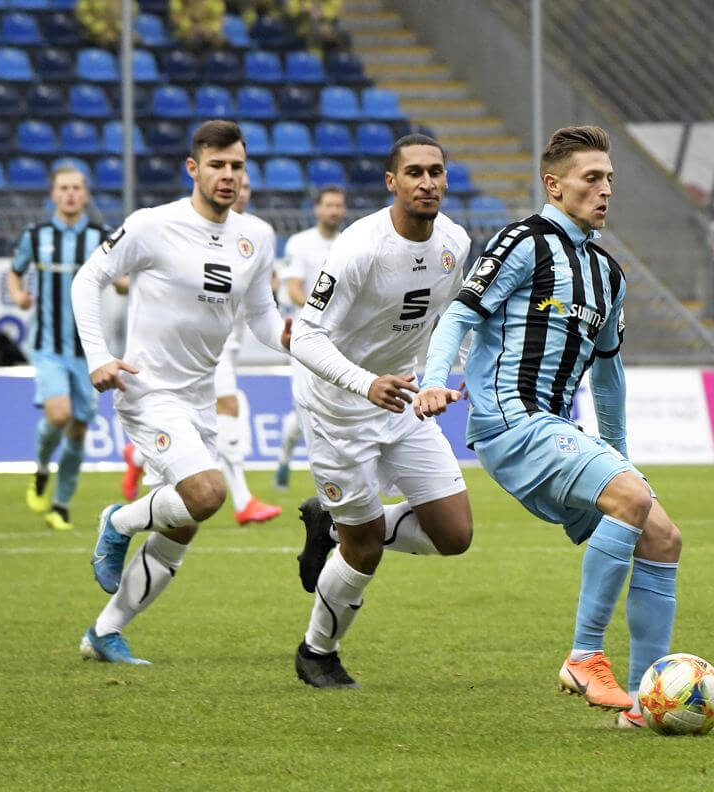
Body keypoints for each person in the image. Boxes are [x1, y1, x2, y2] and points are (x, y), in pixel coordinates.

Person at [413, 126, 682, 729]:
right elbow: (461, 312)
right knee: (634, 502)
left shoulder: (609, 275)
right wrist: (435, 379)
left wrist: (618, 456)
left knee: (662, 537)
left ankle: (645, 703)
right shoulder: (523, 242)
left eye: (610, 178)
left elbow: (609, 377)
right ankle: (584, 654)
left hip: (556, 429)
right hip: (511, 420)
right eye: (592, 178)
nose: (605, 189)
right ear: (553, 184)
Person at [71, 120, 289, 664]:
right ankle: (117, 521)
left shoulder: (256, 236)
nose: (228, 175)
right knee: (208, 494)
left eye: (236, 165)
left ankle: (104, 632)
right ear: (193, 169)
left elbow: (264, 319)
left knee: (183, 523)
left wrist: (301, 338)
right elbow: (87, 279)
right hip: (149, 391)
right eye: (217, 165)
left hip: (200, 398)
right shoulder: (152, 226)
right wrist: (98, 355)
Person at [288, 134, 474, 689]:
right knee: (364, 549)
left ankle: (333, 522)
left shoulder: (455, 242)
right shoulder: (358, 248)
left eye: (436, 171)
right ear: (391, 182)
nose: (427, 182)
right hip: (338, 407)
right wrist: (366, 383)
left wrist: (437, 380)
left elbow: (441, 322)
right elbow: (304, 335)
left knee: (455, 534)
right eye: (414, 172)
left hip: (401, 399)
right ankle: (317, 651)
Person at [120, 170, 283, 526]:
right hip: (207, 350)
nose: (240, 189)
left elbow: (265, 294)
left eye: (247, 184)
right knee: (230, 406)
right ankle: (243, 501)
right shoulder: (184, 229)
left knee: (218, 418)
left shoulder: (256, 234)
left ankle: (137, 458)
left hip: (232, 341)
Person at [8, 165, 111, 532]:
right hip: (47, 346)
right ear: (53, 194)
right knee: (58, 415)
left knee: (80, 429)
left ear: (86, 194)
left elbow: (122, 275)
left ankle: (61, 504)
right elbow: (15, 270)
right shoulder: (35, 236)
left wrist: (129, 284)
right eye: (64, 188)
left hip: (89, 351)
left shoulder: (102, 237)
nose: (70, 194)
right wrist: (18, 295)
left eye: (77, 188)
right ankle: (40, 467)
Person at [274, 185, 347, 490]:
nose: (333, 210)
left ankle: (340, 472)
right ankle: (285, 458)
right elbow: (293, 289)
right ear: (317, 208)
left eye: (338, 205)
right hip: (306, 336)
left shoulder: (350, 243)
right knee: (304, 406)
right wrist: (323, 314)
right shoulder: (299, 244)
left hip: (342, 337)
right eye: (328, 205)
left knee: (340, 405)